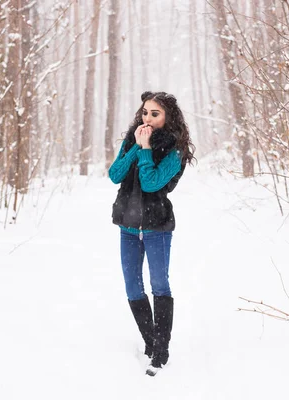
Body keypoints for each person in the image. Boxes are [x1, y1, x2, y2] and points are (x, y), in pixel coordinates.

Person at [109, 91, 195, 376]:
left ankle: (161, 351)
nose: (147, 118)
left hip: (157, 227)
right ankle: (151, 342)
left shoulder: (175, 150)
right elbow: (115, 174)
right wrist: (136, 145)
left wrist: (145, 148)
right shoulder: (134, 139)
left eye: (155, 114)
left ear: (168, 117)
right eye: (145, 112)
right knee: (133, 288)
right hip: (128, 227)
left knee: (159, 285)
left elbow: (151, 183)